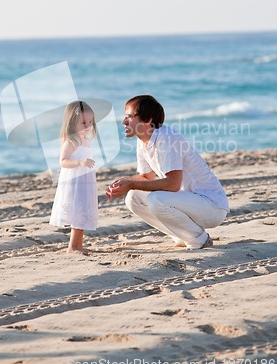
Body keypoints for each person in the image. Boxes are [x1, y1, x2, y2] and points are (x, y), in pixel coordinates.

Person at [106, 95, 229, 250]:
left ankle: (198, 238)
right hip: (187, 203)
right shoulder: (143, 140)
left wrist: (131, 183)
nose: (124, 121)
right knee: (133, 197)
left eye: (129, 116)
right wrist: (123, 183)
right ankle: (183, 235)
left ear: (148, 120)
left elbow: (173, 184)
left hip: (211, 207)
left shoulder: (167, 137)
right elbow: (146, 177)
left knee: (157, 199)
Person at [50, 100, 98, 254]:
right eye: (83, 123)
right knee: (77, 211)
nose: (88, 126)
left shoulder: (84, 141)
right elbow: (63, 161)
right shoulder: (72, 141)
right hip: (75, 182)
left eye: (90, 122)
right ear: (72, 124)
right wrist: (80, 162)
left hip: (85, 182)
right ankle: (72, 246)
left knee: (83, 211)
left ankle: (79, 245)